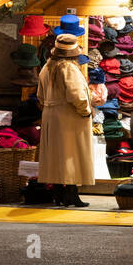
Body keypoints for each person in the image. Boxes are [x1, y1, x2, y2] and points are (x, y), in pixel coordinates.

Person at [36, 32, 95, 207]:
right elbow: (76, 94)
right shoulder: (68, 68)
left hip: (50, 115)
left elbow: (40, 95)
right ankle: (71, 194)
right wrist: (85, 111)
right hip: (69, 117)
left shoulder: (47, 67)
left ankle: (58, 193)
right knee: (71, 155)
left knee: (55, 155)